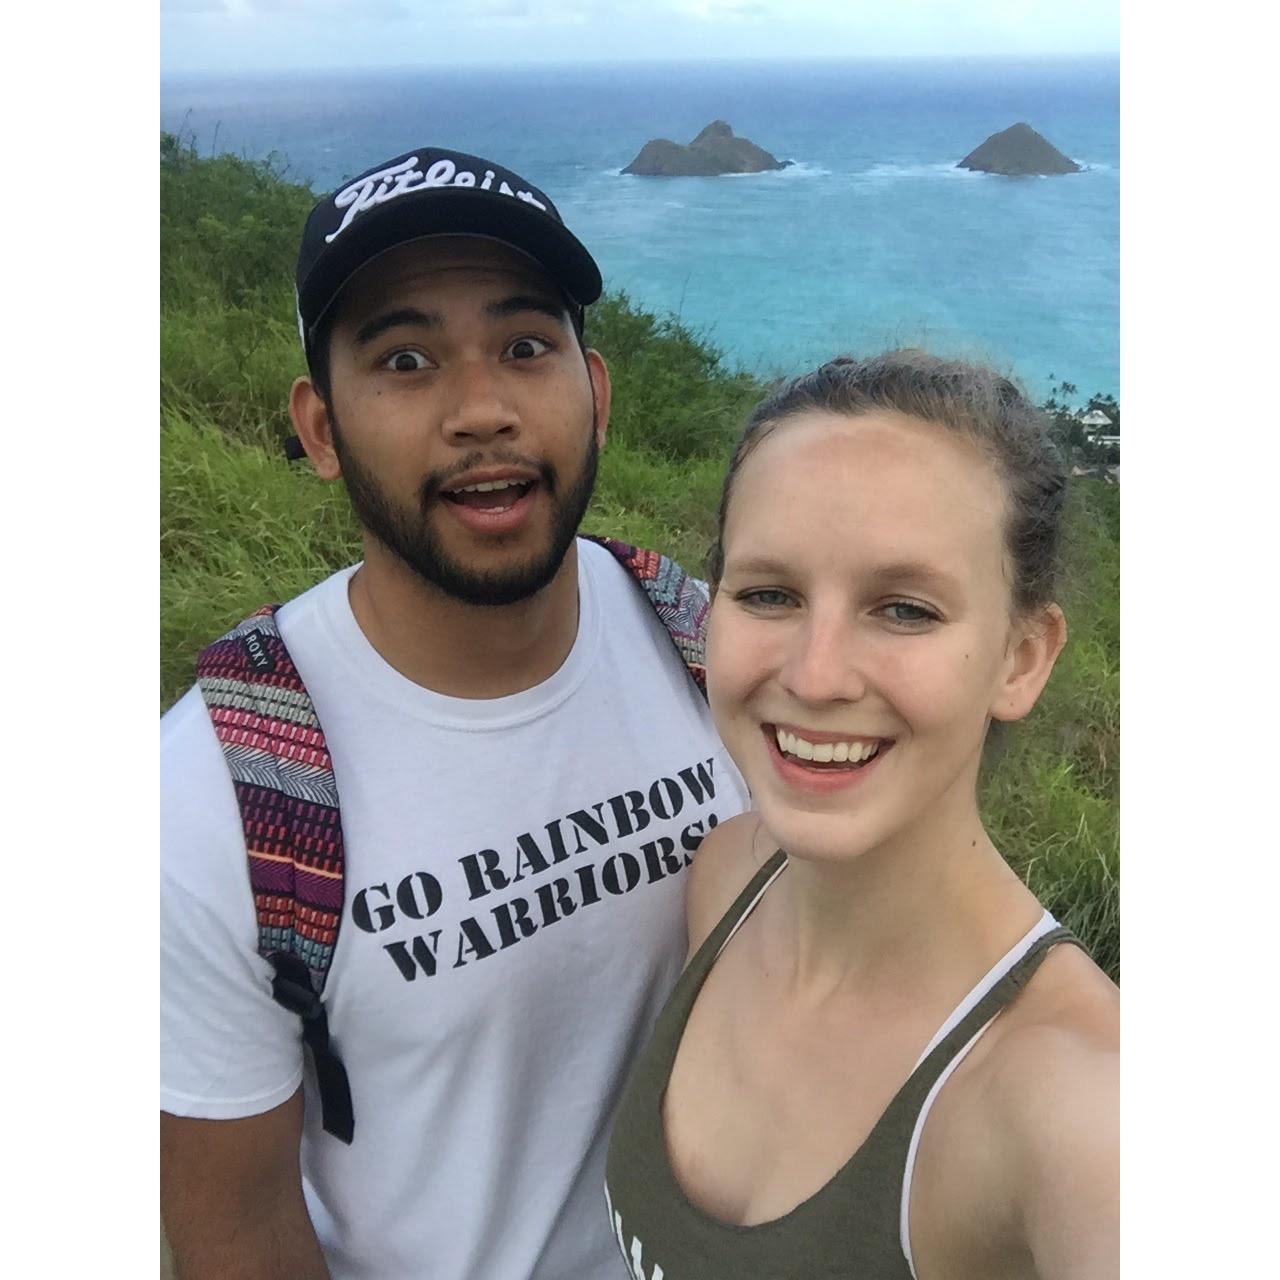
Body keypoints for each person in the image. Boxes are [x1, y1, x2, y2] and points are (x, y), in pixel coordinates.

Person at [160, 145, 749, 1280]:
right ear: (321, 428)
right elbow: (236, 1228)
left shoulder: (706, 645)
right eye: (406, 358)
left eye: (526, 347)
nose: (481, 410)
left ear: (598, 391)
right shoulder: (212, 804)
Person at [605, 351, 1119, 1279]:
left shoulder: (1082, 1108)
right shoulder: (724, 880)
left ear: (1021, 657)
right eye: (769, 594)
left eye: (905, 610)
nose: (814, 674)